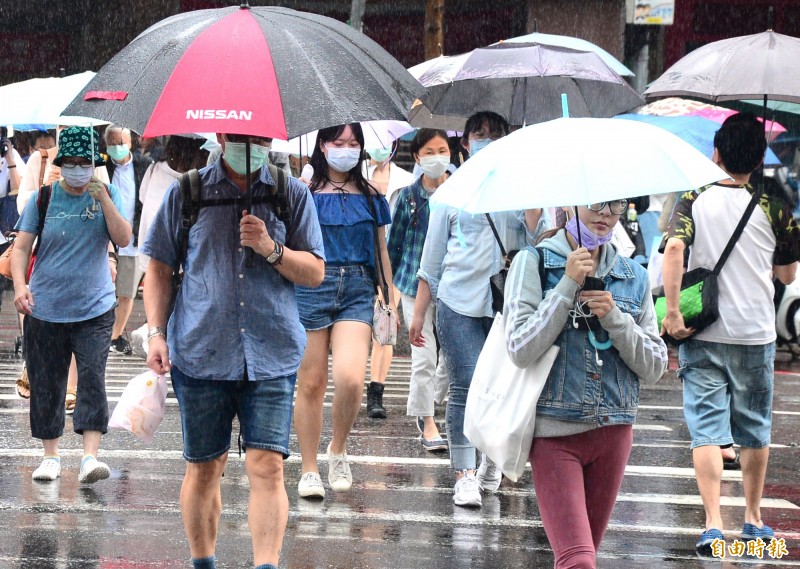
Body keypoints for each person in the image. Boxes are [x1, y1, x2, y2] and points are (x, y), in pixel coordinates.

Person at [142, 132, 324, 569]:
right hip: (201, 350)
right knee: (205, 467)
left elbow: (316, 271)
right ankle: (203, 562)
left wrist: (271, 248)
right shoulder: (187, 192)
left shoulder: (290, 192)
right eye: (242, 137)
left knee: (268, 466)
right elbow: (160, 268)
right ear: (221, 136)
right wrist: (155, 333)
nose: (251, 144)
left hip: (272, 351)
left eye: (260, 137)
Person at [661, 113, 799, 556]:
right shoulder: (776, 208)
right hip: (755, 333)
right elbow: (787, 271)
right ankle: (754, 520)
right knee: (754, 428)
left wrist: (675, 311)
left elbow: (676, 248)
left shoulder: (692, 199)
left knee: (705, 430)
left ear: (715, 154)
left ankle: (714, 524)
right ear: (758, 160)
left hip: (704, 329)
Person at [504, 202, 667, 568]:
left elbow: (656, 365)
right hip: (555, 435)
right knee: (579, 561)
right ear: (567, 203)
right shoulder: (533, 263)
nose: (606, 213)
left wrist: (616, 319)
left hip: (615, 432)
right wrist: (566, 287)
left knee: (581, 557)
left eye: (617, 204)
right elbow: (518, 347)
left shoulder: (632, 275)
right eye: (597, 204)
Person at [412, 111, 547, 507]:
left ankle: (491, 458)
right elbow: (431, 262)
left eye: (495, 134)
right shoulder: (451, 195)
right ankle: (465, 473)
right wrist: (420, 313)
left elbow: (539, 247)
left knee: (502, 388)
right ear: (466, 143)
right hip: (458, 304)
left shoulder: (522, 191)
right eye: (479, 134)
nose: (487, 140)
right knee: (465, 385)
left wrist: (534, 217)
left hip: (508, 305)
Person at [11, 126, 131, 485]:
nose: (79, 170)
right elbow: (20, 247)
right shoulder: (44, 199)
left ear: (95, 164)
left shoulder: (106, 193)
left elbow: (124, 238)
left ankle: (90, 456)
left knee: (92, 377)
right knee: (47, 382)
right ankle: (51, 456)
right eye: (73, 163)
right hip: (45, 307)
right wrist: (20, 286)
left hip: (94, 308)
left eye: (86, 163)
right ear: (62, 163)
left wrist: (105, 201)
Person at [294, 123, 394, 499]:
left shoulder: (370, 195)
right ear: (322, 145)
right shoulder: (302, 192)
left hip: (358, 287)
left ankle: (338, 448)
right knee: (311, 383)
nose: (347, 149)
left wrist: (388, 296)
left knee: (352, 379)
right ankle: (308, 468)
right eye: (339, 142)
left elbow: (381, 248)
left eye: (354, 143)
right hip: (310, 285)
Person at [387, 129, 451, 450]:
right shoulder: (408, 198)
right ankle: (426, 420)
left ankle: (432, 398)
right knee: (424, 356)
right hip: (414, 286)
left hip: (453, 286)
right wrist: (386, 294)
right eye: (429, 152)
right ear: (417, 158)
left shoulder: (461, 193)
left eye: (443, 150)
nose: (437, 157)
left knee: (450, 357)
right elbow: (393, 248)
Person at [131, 135, 209, 354]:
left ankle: (157, 337)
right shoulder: (200, 179)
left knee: (158, 299)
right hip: (185, 261)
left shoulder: (154, 170)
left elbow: (143, 198)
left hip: (151, 248)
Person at [364, 140, 415, 418]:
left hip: (392, 261)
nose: (379, 148)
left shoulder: (407, 180)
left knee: (385, 324)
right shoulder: (353, 176)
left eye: (385, 143)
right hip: (359, 260)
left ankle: (376, 391)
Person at [103, 125, 153, 355]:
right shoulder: (102, 168)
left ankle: (115, 335)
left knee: (127, 290)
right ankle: (103, 332)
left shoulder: (145, 165)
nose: (116, 147)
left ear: (130, 143)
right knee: (105, 289)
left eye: (120, 142)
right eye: (111, 143)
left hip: (134, 238)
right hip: (106, 238)